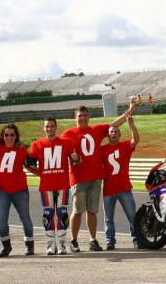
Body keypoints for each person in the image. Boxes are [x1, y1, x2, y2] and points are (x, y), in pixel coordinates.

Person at [61, 96, 138, 252]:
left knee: (92, 211)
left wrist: (131, 109)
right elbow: (60, 151)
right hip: (78, 178)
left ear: (88, 117)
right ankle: (74, 241)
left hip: (95, 179)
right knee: (77, 210)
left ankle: (92, 239)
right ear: (75, 117)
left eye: (84, 115)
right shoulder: (68, 133)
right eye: (79, 116)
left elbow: (116, 123)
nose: (82, 118)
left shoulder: (96, 129)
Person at [27, 117, 79, 255]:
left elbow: (76, 162)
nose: (49, 129)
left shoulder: (66, 142)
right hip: (46, 186)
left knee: (62, 214)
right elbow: (30, 165)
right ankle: (50, 245)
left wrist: (76, 159)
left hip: (62, 184)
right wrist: (41, 174)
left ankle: (61, 245)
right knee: (48, 215)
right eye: (47, 126)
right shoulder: (36, 144)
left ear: (56, 127)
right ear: (43, 128)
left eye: (52, 126)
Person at [0, 123, 35, 256]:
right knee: (1, 219)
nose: (9, 137)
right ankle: (6, 246)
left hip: (20, 190)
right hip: (2, 190)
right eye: (6, 135)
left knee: (25, 218)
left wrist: (25, 147)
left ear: (16, 136)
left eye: (12, 135)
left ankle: (29, 246)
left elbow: (31, 164)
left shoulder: (21, 149)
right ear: (3, 136)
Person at [101, 114, 140, 250]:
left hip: (124, 188)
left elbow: (136, 139)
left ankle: (137, 239)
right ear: (108, 135)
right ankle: (110, 241)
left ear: (119, 134)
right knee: (108, 218)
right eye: (111, 132)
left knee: (132, 216)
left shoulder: (125, 146)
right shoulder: (103, 149)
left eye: (116, 132)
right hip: (108, 190)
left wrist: (131, 125)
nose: (113, 134)